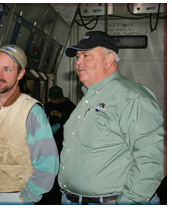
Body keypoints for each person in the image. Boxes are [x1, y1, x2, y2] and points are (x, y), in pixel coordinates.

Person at [58, 30, 164, 205]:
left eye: (86, 56)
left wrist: (127, 202)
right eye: (77, 57)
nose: (78, 62)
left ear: (108, 60)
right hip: (71, 200)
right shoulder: (88, 98)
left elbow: (151, 160)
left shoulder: (132, 97)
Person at [0, 44, 59, 205]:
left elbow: (48, 162)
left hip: (14, 197)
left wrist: (26, 197)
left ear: (20, 73)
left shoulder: (31, 111)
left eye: (7, 69)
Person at [44, 85, 76, 153]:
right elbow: (43, 113)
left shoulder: (70, 107)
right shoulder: (50, 105)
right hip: (52, 138)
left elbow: (72, 122)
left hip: (64, 138)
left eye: (54, 99)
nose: (52, 101)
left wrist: (59, 125)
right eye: (51, 99)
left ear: (60, 97)